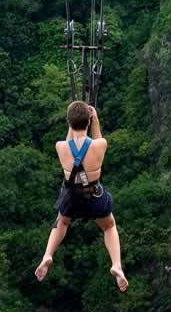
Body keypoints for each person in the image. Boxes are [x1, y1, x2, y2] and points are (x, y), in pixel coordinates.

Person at [34, 101, 128, 292]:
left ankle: (47, 255)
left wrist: (73, 122)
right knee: (109, 226)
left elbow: (70, 142)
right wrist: (95, 120)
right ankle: (116, 264)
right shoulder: (100, 145)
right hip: (93, 195)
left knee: (62, 222)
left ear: (69, 122)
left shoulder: (60, 147)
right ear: (88, 121)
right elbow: (97, 138)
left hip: (72, 196)